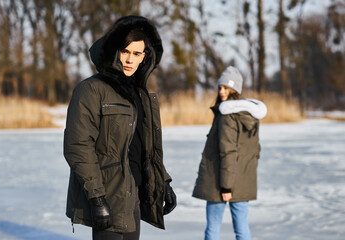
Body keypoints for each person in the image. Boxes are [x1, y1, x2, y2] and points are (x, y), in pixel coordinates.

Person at [63, 15, 177, 240]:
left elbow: (145, 146)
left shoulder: (140, 95)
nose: (130, 59)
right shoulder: (91, 89)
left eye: (137, 53)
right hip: (108, 193)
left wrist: (163, 181)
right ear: (115, 50)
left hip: (133, 193)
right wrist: (96, 197)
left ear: (145, 57)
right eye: (125, 51)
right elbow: (78, 145)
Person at [192, 66, 267, 240]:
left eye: (226, 88)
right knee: (242, 229)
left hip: (220, 181)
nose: (222, 91)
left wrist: (226, 185)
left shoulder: (226, 115)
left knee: (213, 229)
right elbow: (254, 150)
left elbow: (228, 152)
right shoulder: (248, 115)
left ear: (235, 90)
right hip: (242, 180)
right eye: (220, 87)